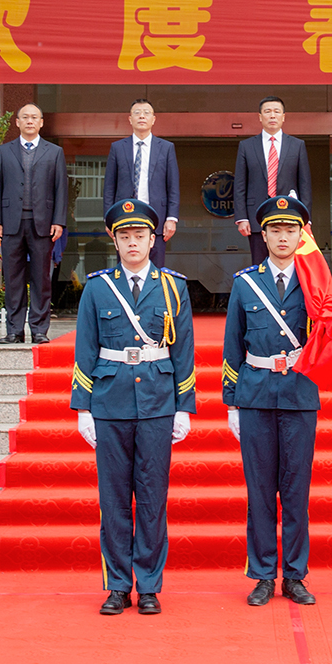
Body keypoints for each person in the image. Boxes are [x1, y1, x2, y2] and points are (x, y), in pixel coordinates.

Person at [72, 198, 197, 616]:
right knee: (113, 500)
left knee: (152, 497)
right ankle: (117, 585)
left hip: (158, 402)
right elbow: (85, 349)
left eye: (139, 235)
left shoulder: (173, 287)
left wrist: (183, 406)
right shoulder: (97, 287)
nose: (132, 243)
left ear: (152, 239)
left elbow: (184, 352)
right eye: (124, 236)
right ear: (114, 240)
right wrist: (83, 408)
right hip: (110, 402)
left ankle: (148, 585)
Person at [221, 193, 321, 606]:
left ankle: (295, 575)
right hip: (256, 393)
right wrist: (232, 400)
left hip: (298, 393)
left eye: (290, 229)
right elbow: (232, 345)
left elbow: (325, 339)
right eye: (275, 229)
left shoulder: (315, 282)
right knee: (260, 490)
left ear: (301, 235)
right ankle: (262, 574)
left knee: (296, 490)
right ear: (263, 235)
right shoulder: (245, 283)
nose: (283, 236)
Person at [0, 103, 67, 344]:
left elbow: (61, 189)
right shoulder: (4, 151)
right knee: (13, 279)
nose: (30, 121)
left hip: (42, 223)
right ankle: (14, 330)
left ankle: (39, 329)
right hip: (11, 223)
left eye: (34, 117)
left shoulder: (54, 152)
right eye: (25, 117)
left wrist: (58, 221)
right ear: (17, 122)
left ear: (41, 122)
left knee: (41, 278)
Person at [233, 96, 312, 267]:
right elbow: (239, 185)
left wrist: (307, 219)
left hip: (289, 215)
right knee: (260, 265)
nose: (272, 116)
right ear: (260, 117)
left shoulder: (297, 145)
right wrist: (242, 218)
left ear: (283, 116)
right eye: (267, 112)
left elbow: (304, 184)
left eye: (277, 112)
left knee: (289, 264)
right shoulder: (247, 146)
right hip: (256, 216)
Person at [103, 99, 180, 268]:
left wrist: (171, 218)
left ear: (154, 119)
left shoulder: (166, 148)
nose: (142, 116)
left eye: (146, 113)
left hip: (156, 218)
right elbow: (109, 186)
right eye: (137, 113)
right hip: (124, 215)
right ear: (130, 119)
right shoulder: (117, 148)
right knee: (126, 266)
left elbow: (173, 186)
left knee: (155, 268)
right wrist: (108, 218)